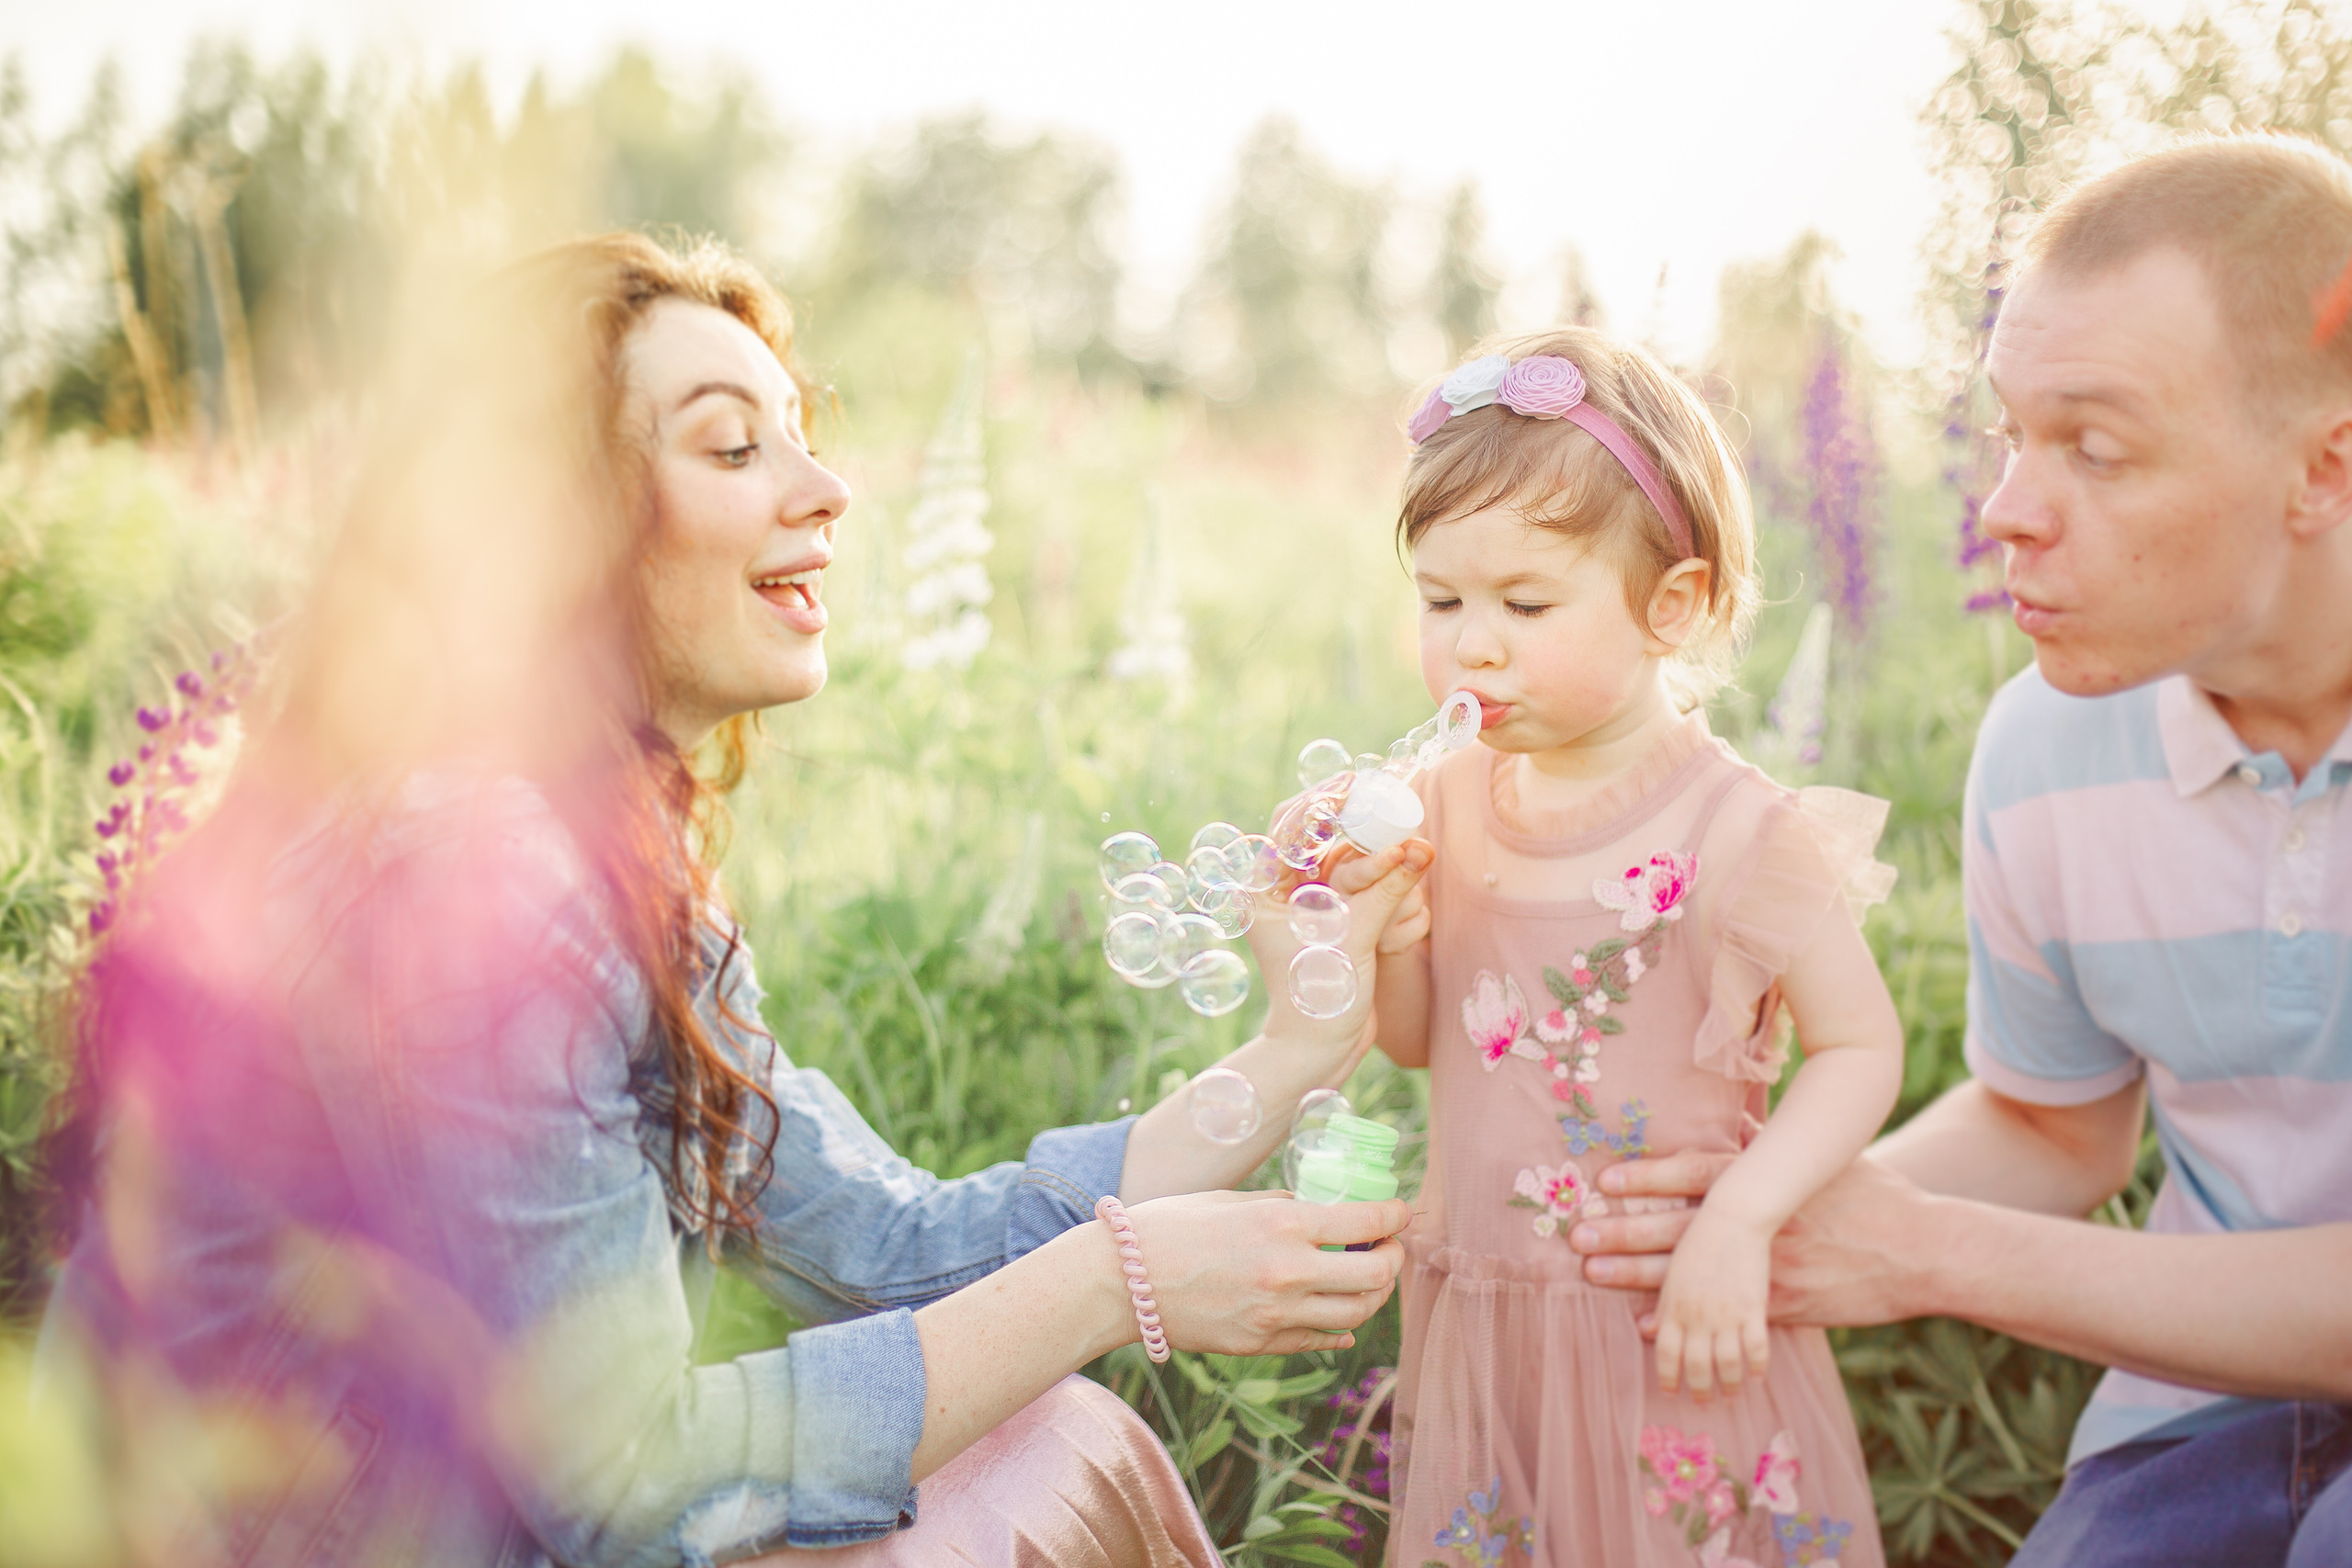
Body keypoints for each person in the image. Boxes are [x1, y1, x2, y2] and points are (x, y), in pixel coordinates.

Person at [30, 231, 1428, 1567]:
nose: (827, 490)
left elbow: (893, 1247)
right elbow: (624, 1479)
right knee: (1047, 1454)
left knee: (1051, 1437)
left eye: (801, 433)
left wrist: (1305, 1039)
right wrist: (1118, 1283)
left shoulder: (602, 860)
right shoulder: (466, 887)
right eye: (733, 447)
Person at [1569, 136, 2352, 1568]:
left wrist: (1932, 1253)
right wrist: (1765, 1205)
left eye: (2094, 450)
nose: (2003, 513)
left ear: (2325, 465)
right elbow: (2058, 1130)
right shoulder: (2051, 745)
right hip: (2203, 1411)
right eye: (2009, 435)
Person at [1361, 330, 1905, 1567]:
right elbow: (1416, 1042)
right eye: (1441, 601)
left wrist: (1743, 1221)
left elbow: (1861, 1049)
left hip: (1669, 1325)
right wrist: (1390, 940)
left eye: (1525, 604)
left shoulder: (1740, 831)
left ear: (1674, 606)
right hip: (1491, 1336)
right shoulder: (1444, 802)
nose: (1473, 645)